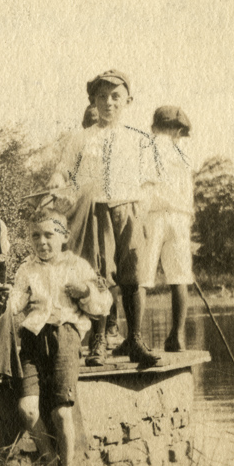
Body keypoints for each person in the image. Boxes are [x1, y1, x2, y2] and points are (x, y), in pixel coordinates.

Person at [47, 69, 158, 366]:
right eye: (102, 96)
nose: (109, 102)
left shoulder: (139, 139)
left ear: (128, 101)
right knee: (98, 277)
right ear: (93, 101)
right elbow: (63, 169)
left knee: (133, 277)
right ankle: (99, 341)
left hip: (130, 210)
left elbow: (150, 180)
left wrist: (141, 210)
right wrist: (57, 181)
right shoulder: (81, 138)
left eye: (115, 97)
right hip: (96, 212)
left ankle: (135, 340)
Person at [9, 208, 113, 466]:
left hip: (65, 335)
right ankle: (50, 461)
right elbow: (15, 303)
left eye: (49, 235)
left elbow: (103, 305)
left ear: (64, 236)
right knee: (28, 409)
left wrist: (85, 292)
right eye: (35, 236)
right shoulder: (26, 268)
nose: (42, 242)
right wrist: (3, 300)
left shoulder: (77, 266)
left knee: (61, 412)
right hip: (32, 338)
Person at [143, 106, 196, 352]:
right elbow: (189, 194)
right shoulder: (184, 155)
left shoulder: (147, 148)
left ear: (154, 127)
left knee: (143, 277)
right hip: (180, 218)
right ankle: (177, 336)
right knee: (180, 278)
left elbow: (143, 185)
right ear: (177, 131)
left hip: (154, 216)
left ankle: (135, 337)